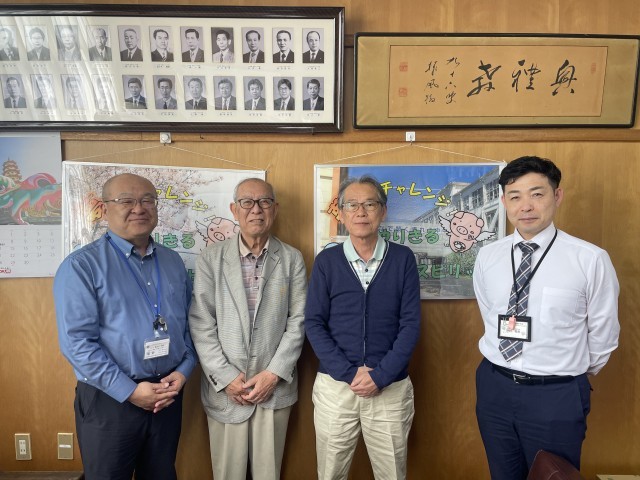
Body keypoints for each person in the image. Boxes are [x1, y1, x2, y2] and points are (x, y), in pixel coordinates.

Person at [473, 156, 620, 479]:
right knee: (502, 473)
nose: (526, 206)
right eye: (515, 196)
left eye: (537, 194)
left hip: (556, 394)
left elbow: (604, 332)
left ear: (557, 196)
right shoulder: (488, 256)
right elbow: (489, 313)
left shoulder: (590, 259)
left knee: (553, 475)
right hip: (495, 386)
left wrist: (566, 371)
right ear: (504, 202)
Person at [54, 173, 196, 480]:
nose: (139, 208)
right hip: (110, 398)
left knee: (161, 475)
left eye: (147, 200)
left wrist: (184, 371)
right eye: (126, 201)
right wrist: (130, 391)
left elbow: (188, 325)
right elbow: (77, 343)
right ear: (104, 208)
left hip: (167, 395)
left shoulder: (173, 262)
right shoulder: (81, 266)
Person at [189, 178, 307, 480]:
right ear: (234, 209)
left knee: (269, 473)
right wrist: (226, 377)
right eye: (247, 202)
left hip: (274, 388)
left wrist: (273, 374)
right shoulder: (211, 258)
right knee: (228, 474)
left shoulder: (292, 258)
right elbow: (201, 322)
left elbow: (299, 320)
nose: (256, 209)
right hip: (227, 390)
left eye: (264, 202)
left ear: (275, 209)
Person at [305, 175, 421, 480]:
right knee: (330, 473)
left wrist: (380, 376)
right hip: (336, 387)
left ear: (383, 211)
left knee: (391, 474)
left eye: (370, 204)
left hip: (390, 388)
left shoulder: (403, 259)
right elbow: (314, 323)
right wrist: (348, 373)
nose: (361, 212)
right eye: (352, 205)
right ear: (341, 214)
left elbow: (410, 324)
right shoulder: (327, 261)